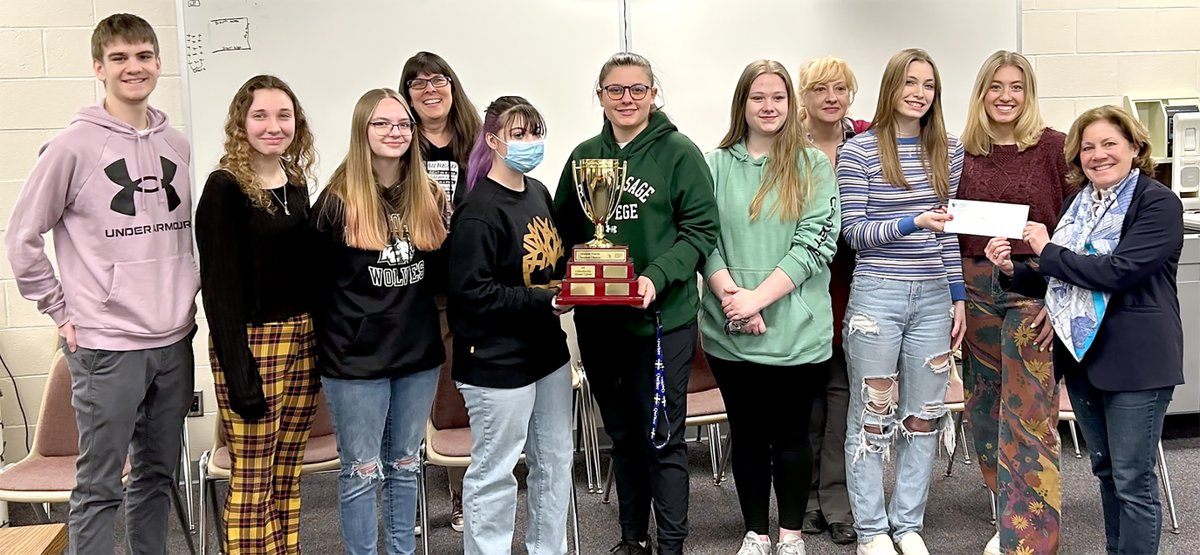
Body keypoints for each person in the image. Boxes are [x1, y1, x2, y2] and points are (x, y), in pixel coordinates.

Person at [4, 13, 198, 554]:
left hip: (173, 340)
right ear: (98, 68)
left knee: (158, 478)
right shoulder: (72, 147)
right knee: (98, 487)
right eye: (119, 58)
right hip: (107, 345)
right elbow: (22, 237)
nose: (132, 67)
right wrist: (61, 311)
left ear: (158, 62)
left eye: (142, 56)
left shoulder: (177, 144)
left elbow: (178, 239)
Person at [985, 105, 1184, 555]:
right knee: (1108, 473)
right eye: (1088, 147)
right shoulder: (1081, 205)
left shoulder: (1157, 203)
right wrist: (1012, 270)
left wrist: (1048, 249)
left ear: (1135, 147)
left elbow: (1117, 272)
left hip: (1137, 363)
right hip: (1085, 358)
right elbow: (1065, 278)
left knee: (1134, 481)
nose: (1098, 155)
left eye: (1109, 144)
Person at [554, 52, 720, 555]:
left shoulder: (678, 153)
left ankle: (671, 546)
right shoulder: (583, 157)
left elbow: (701, 232)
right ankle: (632, 540)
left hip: (661, 323)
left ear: (653, 95)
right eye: (615, 89)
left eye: (637, 89)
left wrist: (655, 276)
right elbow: (562, 233)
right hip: (600, 325)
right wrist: (564, 281)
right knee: (622, 437)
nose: (627, 99)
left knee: (662, 440)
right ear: (600, 96)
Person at [702, 59, 839, 555]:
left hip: (796, 333)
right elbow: (703, 239)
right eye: (758, 97)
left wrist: (755, 301)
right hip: (730, 330)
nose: (768, 106)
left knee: (792, 436)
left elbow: (815, 243)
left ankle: (791, 535)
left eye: (778, 97)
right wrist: (733, 302)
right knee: (748, 435)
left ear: (790, 104)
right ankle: (756, 533)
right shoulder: (714, 165)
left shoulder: (812, 165)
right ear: (742, 103)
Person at [836, 48, 965, 555]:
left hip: (934, 297)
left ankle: (906, 524)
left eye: (928, 85)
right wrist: (913, 221)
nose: (918, 92)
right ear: (891, 88)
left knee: (923, 414)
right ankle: (871, 531)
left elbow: (949, 234)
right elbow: (853, 234)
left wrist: (957, 297)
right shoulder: (860, 151)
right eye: (909, 82)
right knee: (872, 416)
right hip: (878, 297)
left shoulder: (947, 151)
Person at [310, 88, 449, 555]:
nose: (395, 132)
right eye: (382, 124)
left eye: (403, 125)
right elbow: (315, 288)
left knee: (407, 464)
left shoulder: (428, 195)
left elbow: (441, 275)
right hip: (355, 363)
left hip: (417, 355)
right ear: (362, 131)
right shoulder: (335, 202)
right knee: (361, 471)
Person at [195, 74, 320, 555]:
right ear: (240, 123)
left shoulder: (296, 184)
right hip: (253, 345)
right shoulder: (224, 188)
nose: (273, 126)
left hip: (302, 341)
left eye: (283, 115)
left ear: (297, 123)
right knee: (252, 480)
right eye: (261, 115)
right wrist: (238, 371)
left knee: (287, 475)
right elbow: (219, 291)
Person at [958, 50, 1073, 555]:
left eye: (1016, 87)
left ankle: (1030, 539)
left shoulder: (1055, 148)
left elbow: (1075, 228)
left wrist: (1060, 295)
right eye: (995, 87)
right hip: (976, 288)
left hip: (1032, 286)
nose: (1006, 97)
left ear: (1029, 94)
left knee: (1027, 411)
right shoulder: (961, 150)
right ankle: (1008, 514)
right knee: (983, 407)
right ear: (981, 92)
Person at [448, 95, 572, 555]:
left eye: (535, 132)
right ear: (494, 139)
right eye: (517, 134)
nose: (529, 142)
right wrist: (544, 301)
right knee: (496, 471)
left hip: (549, 355)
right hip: (496, 364)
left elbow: (549, 268)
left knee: (556, 462)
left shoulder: (537, 192)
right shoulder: (479, 211)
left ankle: (547, 549)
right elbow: (471, 297)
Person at [400, 50, 482, 532]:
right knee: (409, 395)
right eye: (418, 83)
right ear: (407, 94)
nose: (430, 89)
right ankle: (407, 497)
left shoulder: (477, 144)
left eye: (439, 80)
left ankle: (458, 495)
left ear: (453, 85)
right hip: (408, 290)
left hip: (463, 291)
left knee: (456, 397)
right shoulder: (397, 141)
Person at [796, 55, 870, 547]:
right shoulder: (785, 143)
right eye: (820, 88)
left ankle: (837, 502)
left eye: (840, 88)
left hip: (856, 286)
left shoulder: (866, 140)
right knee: (807, 404)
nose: (831, 97)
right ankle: (804, 501)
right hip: (800, 287)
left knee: (843, 401)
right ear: (803, 96)